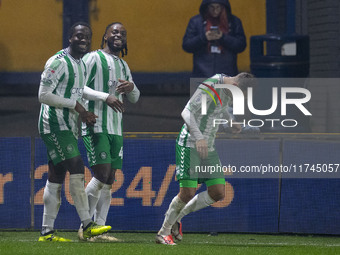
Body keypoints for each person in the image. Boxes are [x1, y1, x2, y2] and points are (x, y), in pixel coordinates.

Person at [38, 22, 116, 242]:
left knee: (56, 175)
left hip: (68, 126)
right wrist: (77, 106)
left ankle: (47, 232)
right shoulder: (57, 62)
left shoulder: (81, 63)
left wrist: (102, 98)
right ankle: (87, 224)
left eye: (87, 37)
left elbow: (80, 90)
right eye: (79, 36)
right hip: (53, 124)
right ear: (69, 37)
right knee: (77, 166)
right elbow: (43, 95)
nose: (83, 40)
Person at [156, 72, 255, 245]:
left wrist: (230, 122)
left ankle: (176, 219)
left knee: (218, 192)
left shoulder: (229, 89)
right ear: (237, 86)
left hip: (208, 147)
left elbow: (220, 108)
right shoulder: (210, 87)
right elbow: (186, 112)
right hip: (190, 143)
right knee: (187, 193)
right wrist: (199, 137)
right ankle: (163, 232)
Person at [77, 22, 140, 241]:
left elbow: (135, 97)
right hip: (95, 124)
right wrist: (106, 97)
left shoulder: (123, 64)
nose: (119, 35)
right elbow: (78, 87)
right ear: (105, 36)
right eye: (114, 32)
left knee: (110, 178)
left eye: (123, 33)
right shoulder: (93, 58)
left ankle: (99, 229)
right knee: (101, 174)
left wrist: (132, 88)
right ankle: (85, 225)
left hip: (116, 128)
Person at [182, 0, 246, 78]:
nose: (215, 10)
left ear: (223, 7)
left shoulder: (234, 21)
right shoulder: (196, 21)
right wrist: (204, 38)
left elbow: (241, 46)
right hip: (202, 73)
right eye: (211, 7)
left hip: (227, 74)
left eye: (217, 7)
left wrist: (223, 37)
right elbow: (186, 45)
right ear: (206, 7)